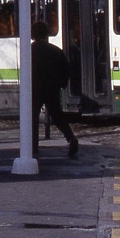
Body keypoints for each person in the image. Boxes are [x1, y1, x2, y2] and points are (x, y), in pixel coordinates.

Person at [31, 21, 79, 159]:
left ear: (33, 35)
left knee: (33, 118)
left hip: (35, 89)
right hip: (52, 88)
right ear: (46, 34)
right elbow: (66, 70)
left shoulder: (30, 51)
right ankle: (71, 138)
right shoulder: (56, 50)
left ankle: (33, 147)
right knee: (57, 116)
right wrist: (61, 84)